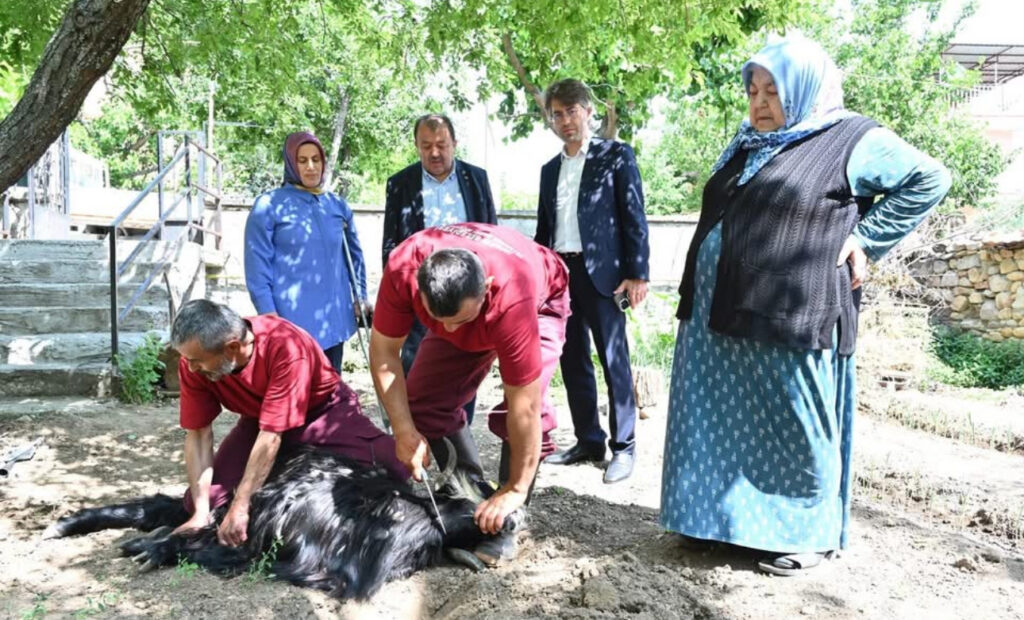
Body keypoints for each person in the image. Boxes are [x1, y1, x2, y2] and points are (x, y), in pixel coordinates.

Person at [659, 35, 951, 575]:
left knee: (796, 417)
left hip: (794, 308)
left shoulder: (850, 137)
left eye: (773, 90)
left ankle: (805, 534)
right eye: (752, 89)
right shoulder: (749, 142)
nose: (759, 101)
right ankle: (716, 523)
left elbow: (930, 179)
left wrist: (870, 238)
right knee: (720, 415)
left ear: (803, 89)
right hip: (717, 307)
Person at [369, 222, 569, 566]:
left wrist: (516, 489)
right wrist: (403, 431)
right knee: (422, 405)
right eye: (438, 318)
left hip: (540, 302)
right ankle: (471, 501)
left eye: (459, 321)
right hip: (474, 305)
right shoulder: (404, 265)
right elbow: (385, 352)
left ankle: (506, 518)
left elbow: (524, 407)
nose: (449, 331)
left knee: (515, 415)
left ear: (486, 289)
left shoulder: (511, 295)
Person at [169, 299, 405, 547]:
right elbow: (198, 434)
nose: (190, 367)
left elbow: (272, 436)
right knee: (210, 499)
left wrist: (242, 504)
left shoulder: (286, 346)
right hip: (258, 420)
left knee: (395, 466)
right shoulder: (192, 364)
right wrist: (200, 513)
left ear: (232, 347)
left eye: (197, 360)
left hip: (324, 413)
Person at [536, 79, 650, 484]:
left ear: (588, 111)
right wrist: (538, 279)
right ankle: (588, 440)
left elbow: (633, 215)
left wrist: (638, 274)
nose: (565, 120)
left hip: (605, 276)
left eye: (572, 111)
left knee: (614, 361)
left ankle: (624, 448)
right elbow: (543, 229)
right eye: (557, 113)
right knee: (573, 362)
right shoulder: (550, 170)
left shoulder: (615, 156)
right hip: (560, 276)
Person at [382, 114, 497, 424]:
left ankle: (461, 429)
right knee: (416, 367)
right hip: (421, 295)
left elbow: (491, 236)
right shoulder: (400, 184)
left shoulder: (476, 179)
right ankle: (417, 434)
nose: (435, 153)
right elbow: (391, 247)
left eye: (442, 145)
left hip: (468, 295)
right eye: (426, 146)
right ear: (417, 147)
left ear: (454, 144)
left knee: (464, 370)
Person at [244, 131, 368, 374]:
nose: (311, 167)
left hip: (334, 321)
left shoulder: (337, 205)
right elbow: (257, 267)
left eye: (316, 159)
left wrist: (360, 295)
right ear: (291, 163)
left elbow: (355, 256)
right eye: (302, 161)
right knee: (297, 396)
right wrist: (269, 316)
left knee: (331, 394)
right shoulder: (269, 206)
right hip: (291, 323)